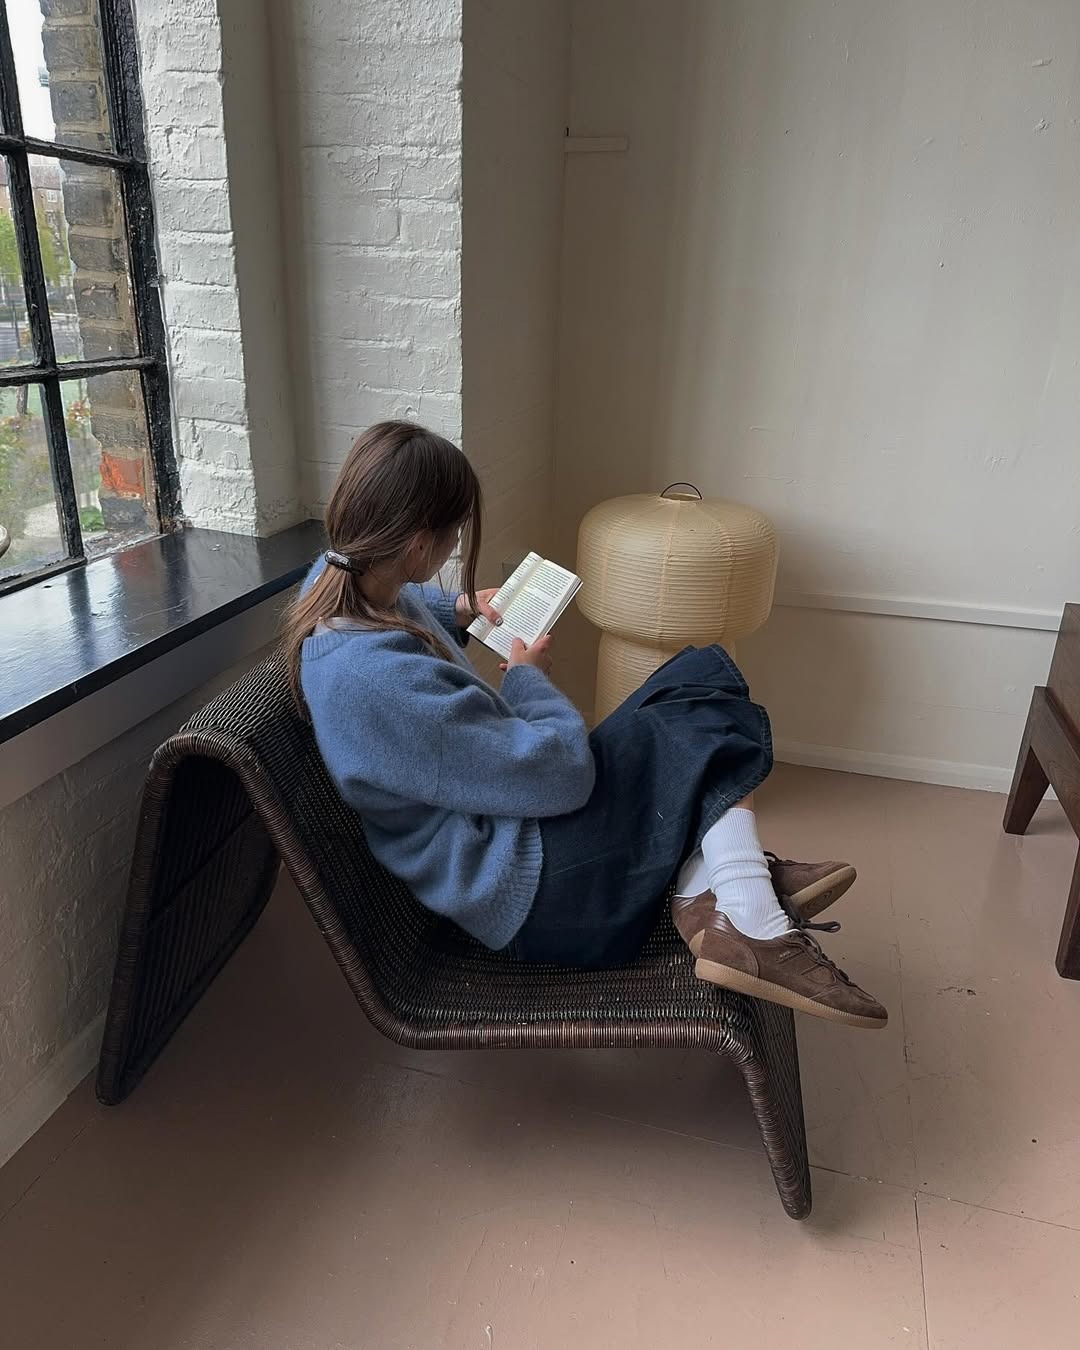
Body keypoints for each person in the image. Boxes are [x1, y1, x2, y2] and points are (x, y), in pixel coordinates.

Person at [283, 421, 887, 1030]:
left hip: (509, 837)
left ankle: (720, 886)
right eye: (452, 534)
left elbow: (402, 608)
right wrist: (525, 677)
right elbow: (565, 776)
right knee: (705, 715)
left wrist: (463, 608)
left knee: (700, 672)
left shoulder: (343, 578)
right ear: (417, 546)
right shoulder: (380, 684)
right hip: (533, 893)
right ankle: (750, 916)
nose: (454, 547)